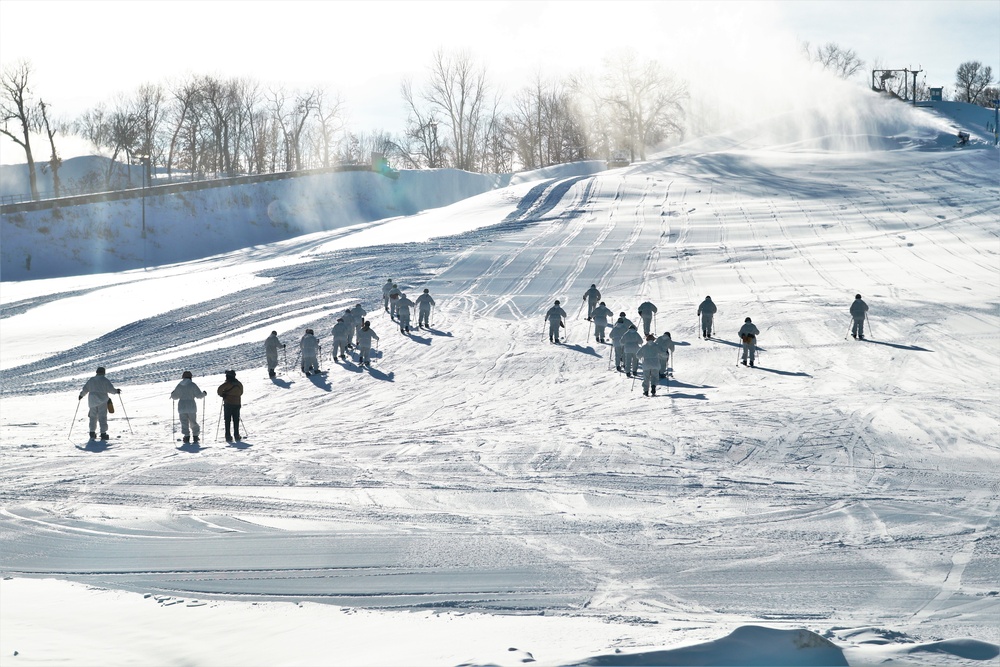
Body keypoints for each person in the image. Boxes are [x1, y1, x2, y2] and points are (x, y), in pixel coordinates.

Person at [78, 366, 120, 441]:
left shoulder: (91, 380)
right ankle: (103, 433)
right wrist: (116, 391)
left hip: (92, 401)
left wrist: (81, 395)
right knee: (102, 417)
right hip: (102, 401)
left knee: (93, 417)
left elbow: (85, 389)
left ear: (97, 372)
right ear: (104, 372)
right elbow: (111, 390)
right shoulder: (105, 380)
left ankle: (92, 433)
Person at [170, 371, 208, 444]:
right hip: (191, 406)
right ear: (190, 377)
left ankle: (186, 436)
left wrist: (172, 394)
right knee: (193, 421)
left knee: (184, 422)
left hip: (182, 406)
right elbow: (198, 395)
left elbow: (174, 397)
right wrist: (204, 394)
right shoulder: (192, 385)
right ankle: (195, 436)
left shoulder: (179, 385)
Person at [217, 370, 244, 443]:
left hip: (228, 404)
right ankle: (236, 435)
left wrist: (223, 394)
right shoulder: (239, 384)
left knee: (227, 420)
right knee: (236, 420)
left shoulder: (227, 384)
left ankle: (228, 436)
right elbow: (241, 392)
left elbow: (219, 390)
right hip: (237, 404)